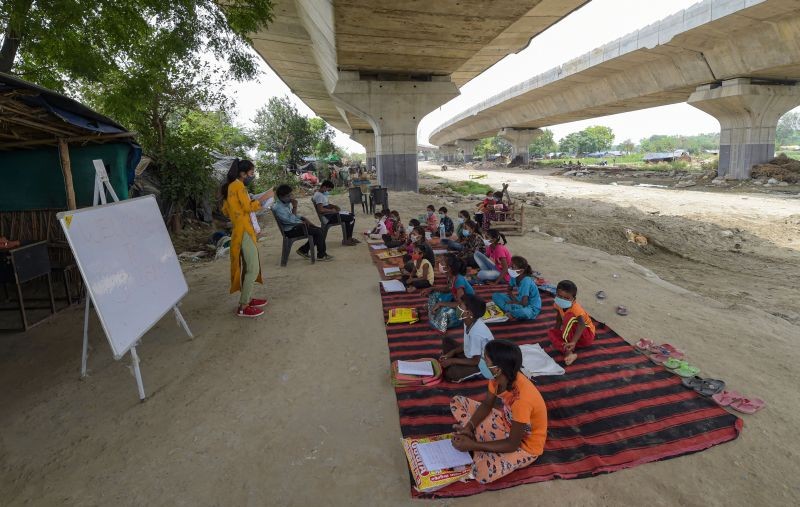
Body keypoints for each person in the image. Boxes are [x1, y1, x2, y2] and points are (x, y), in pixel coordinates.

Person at [450, 340, 548, 484]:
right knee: (457, 401)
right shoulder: (497, 379)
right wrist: (468, 427)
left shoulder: (522, 400)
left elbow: (512, 444)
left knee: (482, 473)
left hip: (524, 445)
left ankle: (477, 446)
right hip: (505, 423)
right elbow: (487, 405)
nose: (482, 362)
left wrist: (472, 446)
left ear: (497, 368)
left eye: (485, 359)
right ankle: (477, 440)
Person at [220, 159, 273, 318]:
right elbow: (248, 207)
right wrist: (265, 198)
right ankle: (243, 306)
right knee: (253, 268)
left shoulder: (230, 187)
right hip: (244, 231)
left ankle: (247, 299)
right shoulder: (238, 186)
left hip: (240, 230)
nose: (252, 175)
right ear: (243, 173)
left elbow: (226, 211)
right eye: (251, 173)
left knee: (248, 266)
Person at [440, 294, 494, 382]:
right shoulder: (468, 321)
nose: (458, 307)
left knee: (451, 374)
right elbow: (467, 343)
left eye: (460, 305)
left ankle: (478, 373)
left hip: (482, 363)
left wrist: (452, 360)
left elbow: (475, 361)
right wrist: (452, 352)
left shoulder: (476, 333)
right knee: (446, 340)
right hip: (472, 354)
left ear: (468, 313)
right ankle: (453, 361)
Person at [273, 184, 334, 262]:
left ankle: (304, 250)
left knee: (318, 230)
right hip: (290, 231)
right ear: (281, 196)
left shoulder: (284, 204)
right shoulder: (279, 208)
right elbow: (290, 220)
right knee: (318, 231)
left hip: (294, 227)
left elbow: (292, 216)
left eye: (291, 195)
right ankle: (321, 255)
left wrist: (302, 218)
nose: (291, 198)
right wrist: (295, 207)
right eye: (288, 196)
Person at [422, 255, 474, 333]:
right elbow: (448, 289)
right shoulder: (451, 276)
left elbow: (461, 304)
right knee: (434, 294)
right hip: (455, 299)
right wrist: (431, 288)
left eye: (443, 264)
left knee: (443, 311)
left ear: (449, 268)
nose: (440, 264)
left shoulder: (459, 281)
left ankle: (437, 318)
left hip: (466, 307)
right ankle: (433, 312)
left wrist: (441, 304)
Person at [548, 280, 596, 365]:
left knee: (569, 317)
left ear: (573, 299)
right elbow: (558, 319)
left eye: (566, 298)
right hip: (573, 336)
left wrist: (573, 341)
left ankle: (568, 351)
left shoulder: (576, 309)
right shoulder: (558, 304)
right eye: (559, 296)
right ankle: (569, 352)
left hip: (585, 335)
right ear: (556, 294)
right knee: (551, 333)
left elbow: (581, 326)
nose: (562, 299)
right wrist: (556, 333)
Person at [492, 256, 542, 321]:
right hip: (520, 300)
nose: (510, 269)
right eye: (510, 266)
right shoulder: (514, 276)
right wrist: (514, 300)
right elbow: (509, 290)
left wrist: (513, 302)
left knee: (525, 312)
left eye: (512, 267)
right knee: (496, 295)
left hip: (531, 306)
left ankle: (511, 311)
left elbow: (525, 303)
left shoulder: (526, 281)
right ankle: (512, 312)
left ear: (521, 271)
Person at [313, 180, 358, 246]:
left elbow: (326, 204)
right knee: (351, 217)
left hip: (331, 215)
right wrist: (332, 211)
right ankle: (347, 239)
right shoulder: (319, 196)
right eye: (329, 190)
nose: (328, 191)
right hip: (328, 217)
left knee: (351, 215)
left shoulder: (321, 194)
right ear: (324, 187)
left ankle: (348, 238)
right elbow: (320, 210)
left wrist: (334, 206)